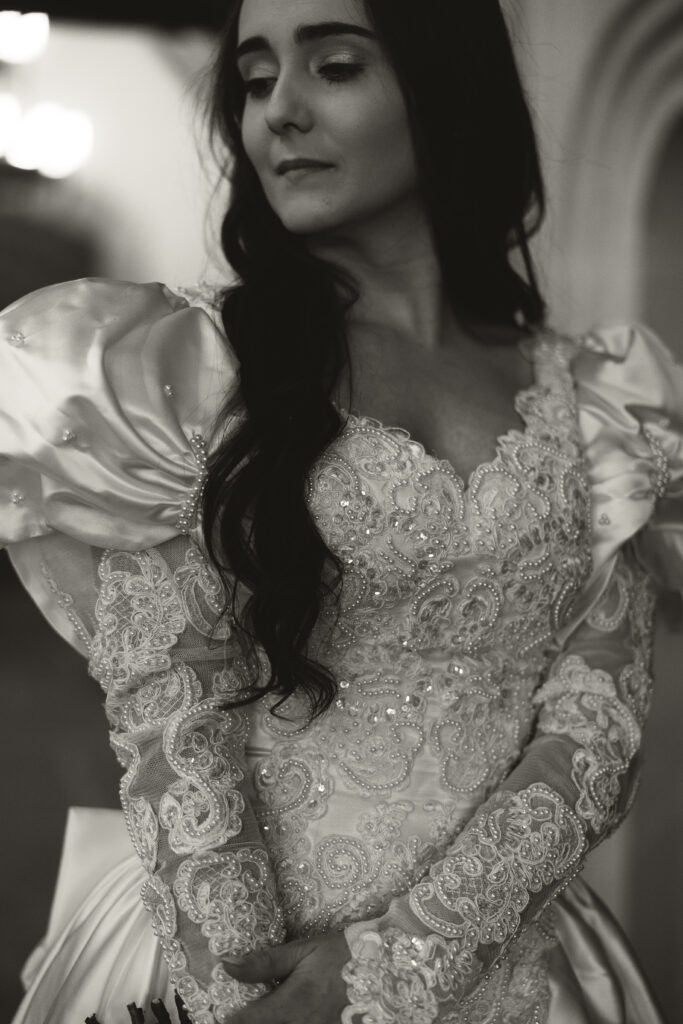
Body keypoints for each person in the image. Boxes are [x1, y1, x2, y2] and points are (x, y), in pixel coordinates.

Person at [0, 0, 679, 1021]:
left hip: (508, 961)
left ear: (441, 89)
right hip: (225, 960)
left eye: (335, 66)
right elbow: (174, 717)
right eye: (259, 77)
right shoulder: (194, 369)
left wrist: (393, 967)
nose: (281, 111)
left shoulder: (600, 401)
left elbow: (594, 729)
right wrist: (242, 998)